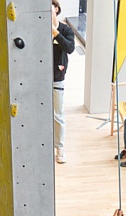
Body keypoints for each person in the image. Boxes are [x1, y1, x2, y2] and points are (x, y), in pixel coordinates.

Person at [51, 0, 75, 165]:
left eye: (50, 8)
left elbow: (70, 48)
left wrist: (54, 32)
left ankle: (60, 148)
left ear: (57, 9)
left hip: (57, 77)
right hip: (39, 78)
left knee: (57, 115)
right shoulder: (37, 29)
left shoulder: (65, 29)